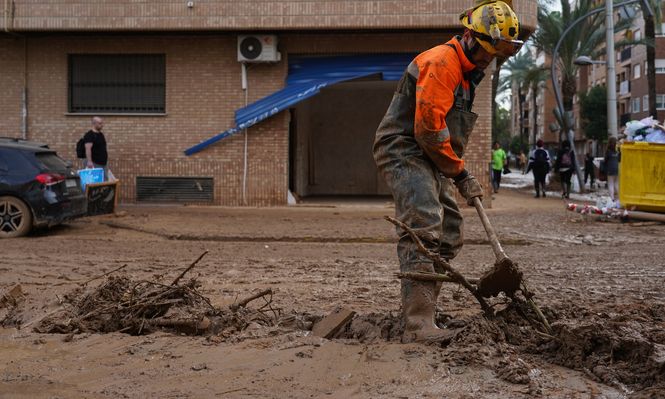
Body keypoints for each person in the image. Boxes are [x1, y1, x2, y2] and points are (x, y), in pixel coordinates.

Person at [373, 1, 522, 344]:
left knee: (451, 230)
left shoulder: (469, 73)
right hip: (405, 148)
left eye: (496, 52)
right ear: (470, 36)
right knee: (424, 221)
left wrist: (457, 172)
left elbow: (445, 131)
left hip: (430, 154)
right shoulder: (443, 62)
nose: (490, 58)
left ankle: (425, 307)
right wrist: (459, 172)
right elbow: (427, 130)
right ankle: (417, 324)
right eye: (487, 50)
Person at [605, 136, 620, 201]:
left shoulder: (608, 151)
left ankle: (612, 198)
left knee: (610, 183)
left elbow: (605, 160)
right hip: (617, 168)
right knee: (616, 183)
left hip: (610, 169)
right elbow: (620, 159)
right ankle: (619, 197)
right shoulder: (618, 151)